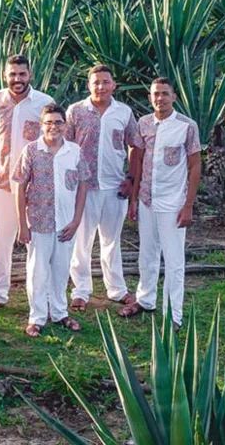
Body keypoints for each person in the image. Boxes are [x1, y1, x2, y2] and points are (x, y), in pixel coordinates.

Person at [119, 78, 202, 329]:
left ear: (174, 97)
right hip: (146, 199)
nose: (160, 99)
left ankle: (173, 315)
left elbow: (195, 164)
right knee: (147, 253)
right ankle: (145, 299)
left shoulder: (186, 126)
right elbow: (138, 160)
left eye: (165, 94)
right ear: (149, 97)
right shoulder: (144, 123)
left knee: (174, 260)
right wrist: (134, 200)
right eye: (156, 94)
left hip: (172, 202)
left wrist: (188, 204)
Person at [65, 64, 141, 312]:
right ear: (89, 85)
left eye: (105, 82)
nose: (101, 86)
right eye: (96, 82)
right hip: (84, 187)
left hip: (114, 185)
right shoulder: (76, 111)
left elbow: (135, 145)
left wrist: (131, 178)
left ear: (113, 85)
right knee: (82, 241)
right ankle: (81, 291)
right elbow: (64, 146)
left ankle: (117, 289)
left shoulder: (124, 112)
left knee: (111, 240)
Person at [0, 54, 55, 317]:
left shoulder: (44, 103)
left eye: (22, 74)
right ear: (5, 75)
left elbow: (54, 142)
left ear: (30, 74)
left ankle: (38, 299)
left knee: (36, 245)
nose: (17, 79)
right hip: (2, 184)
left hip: (35, 187)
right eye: (12, 74)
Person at [13, 103, 89, 337]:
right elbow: (20, 186)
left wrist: (76, 220)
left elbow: (83, 185)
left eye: (58, 122)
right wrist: (22, 225)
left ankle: (59, 312)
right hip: (39, 221)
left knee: (60, 269)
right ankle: (36, 317)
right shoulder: (32, 151)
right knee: (38, 271)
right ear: (41, 125)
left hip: (66, 223)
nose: (53, 126)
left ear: (65, 125)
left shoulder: (74, 151)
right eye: (49, 122)